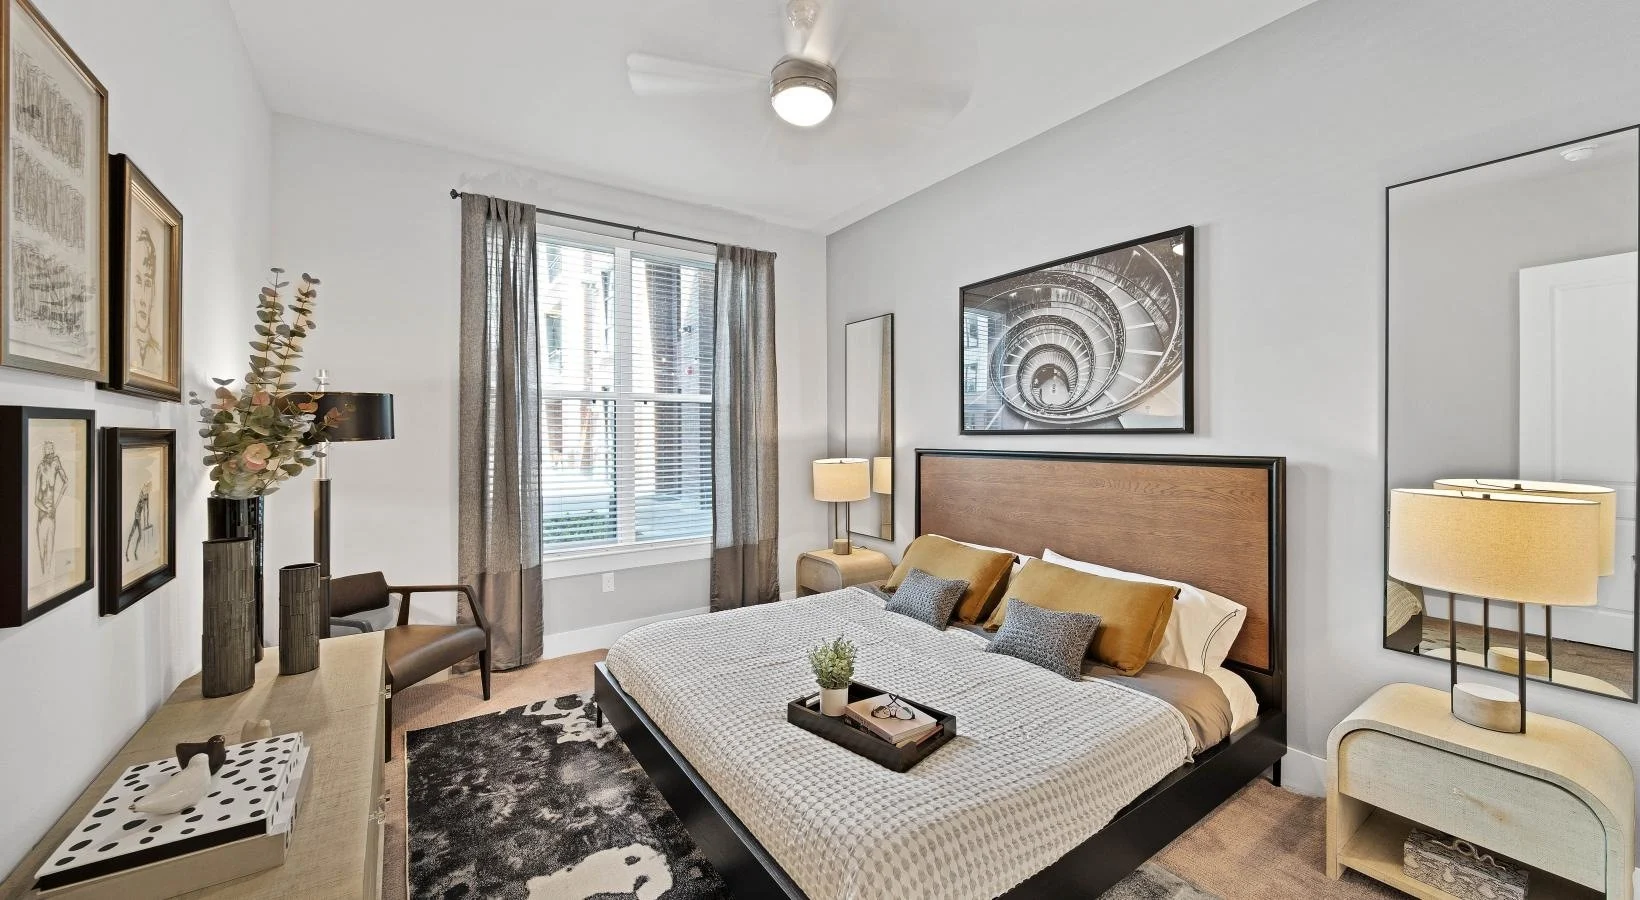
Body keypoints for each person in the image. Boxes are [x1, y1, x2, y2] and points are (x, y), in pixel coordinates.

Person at [34, 441, 70, 572]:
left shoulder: (55, 464)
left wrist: (56, 504)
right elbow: (36, 500)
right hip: (42, 517)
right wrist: (47, 509)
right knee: (42, 557)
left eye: (52, 453)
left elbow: (66, 482)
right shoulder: (40, 468)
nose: (51, 456)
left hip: (52, 517)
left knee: (49, 555)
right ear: (45, 454)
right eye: (49, 453)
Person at [126, 480, 153, 561]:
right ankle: (130, 553)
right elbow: (140, 506)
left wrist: (147, 522)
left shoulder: (146, 496)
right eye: (147, 487)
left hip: (138, 516)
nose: (147, 488)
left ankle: (131, 552)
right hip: (137, 515)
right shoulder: (142, 494)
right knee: (137, 535)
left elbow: (147, 510)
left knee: (133, 534)